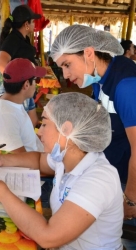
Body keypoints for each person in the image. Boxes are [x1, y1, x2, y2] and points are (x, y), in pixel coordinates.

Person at [0, 92, 123, 249]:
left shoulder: (98, 179)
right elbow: (39, 161)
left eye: (45, 124)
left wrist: (4, 195)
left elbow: (48, 237)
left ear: (66, 129)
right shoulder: (67, 158)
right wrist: (3, 160)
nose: (40, 131)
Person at [50, 24, 136, 249]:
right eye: (62, 68)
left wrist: (130, 198)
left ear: (89, 53)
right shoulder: (100, 80)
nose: (66, 75)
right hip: (113, 174)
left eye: (67, 65)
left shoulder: (126, 86)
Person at [0, 58, 46, 153]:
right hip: (33, 166)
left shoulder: (11, 102)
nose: (37, 85)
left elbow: (28, 140)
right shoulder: (4, 118)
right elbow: (21, 161)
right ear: (26, 85)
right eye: (35, 80)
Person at [0, 4, 42, 127]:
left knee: (32, 123)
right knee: (20, 128)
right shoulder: (13, 39)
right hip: (18, 91)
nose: (34, 24)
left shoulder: (22, 39)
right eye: (32, 22)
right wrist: (16, 84)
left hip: (26, 89)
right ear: (26, 24)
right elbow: (1, 62)